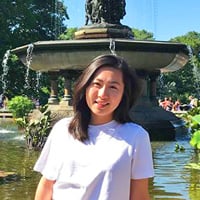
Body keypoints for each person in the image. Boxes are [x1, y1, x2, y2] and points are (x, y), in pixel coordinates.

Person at [34, 54, 154, 200]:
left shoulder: (136, 136)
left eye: (113, 87)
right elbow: (47, 186)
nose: (103, 94)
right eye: (97, 84)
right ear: (85, 86)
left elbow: (139, 196)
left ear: (124, 94)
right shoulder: (63, 129)